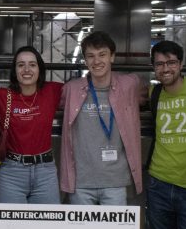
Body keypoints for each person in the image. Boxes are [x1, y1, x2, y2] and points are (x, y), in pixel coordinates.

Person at [59, 31, 143, 205]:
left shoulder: (129, 85)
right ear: (85, 60)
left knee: (115, 225)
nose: (96, 61)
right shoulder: (72, 89)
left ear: (112, 57)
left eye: (102, 54)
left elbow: (148, 93)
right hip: (81, 183)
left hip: (115, 182)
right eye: (91, 56)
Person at [0, 46, 63, 204]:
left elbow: (81, 91)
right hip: (12, 173)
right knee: (10, 221)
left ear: (40, 69)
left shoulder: (52, 91)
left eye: (32, 65)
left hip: (45, 172)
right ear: (14, 70)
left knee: (48, 220)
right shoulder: (0, 96)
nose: (26, 69)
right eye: (21, 65)